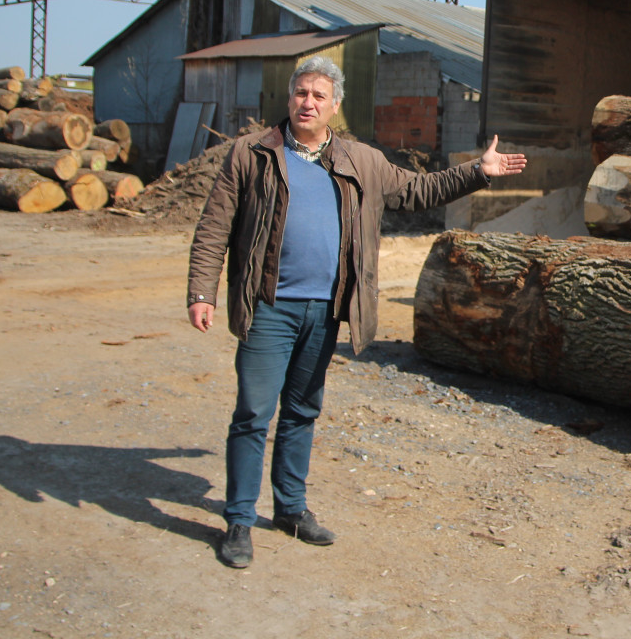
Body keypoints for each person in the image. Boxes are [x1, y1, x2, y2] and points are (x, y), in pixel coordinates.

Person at [186, 55, 526, 568]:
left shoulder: (360, 160)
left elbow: (417, 190)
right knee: (254, 413)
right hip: (269, 307)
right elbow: (214, 227)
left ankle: (291, 509)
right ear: (290, 98)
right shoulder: (250, 154)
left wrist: (477, 172)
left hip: (325, 310)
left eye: (319, 96)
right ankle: (238, 520)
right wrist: (201, 291)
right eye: (302, 93)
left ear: (334, 107)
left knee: (302, 410)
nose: (308, 103)